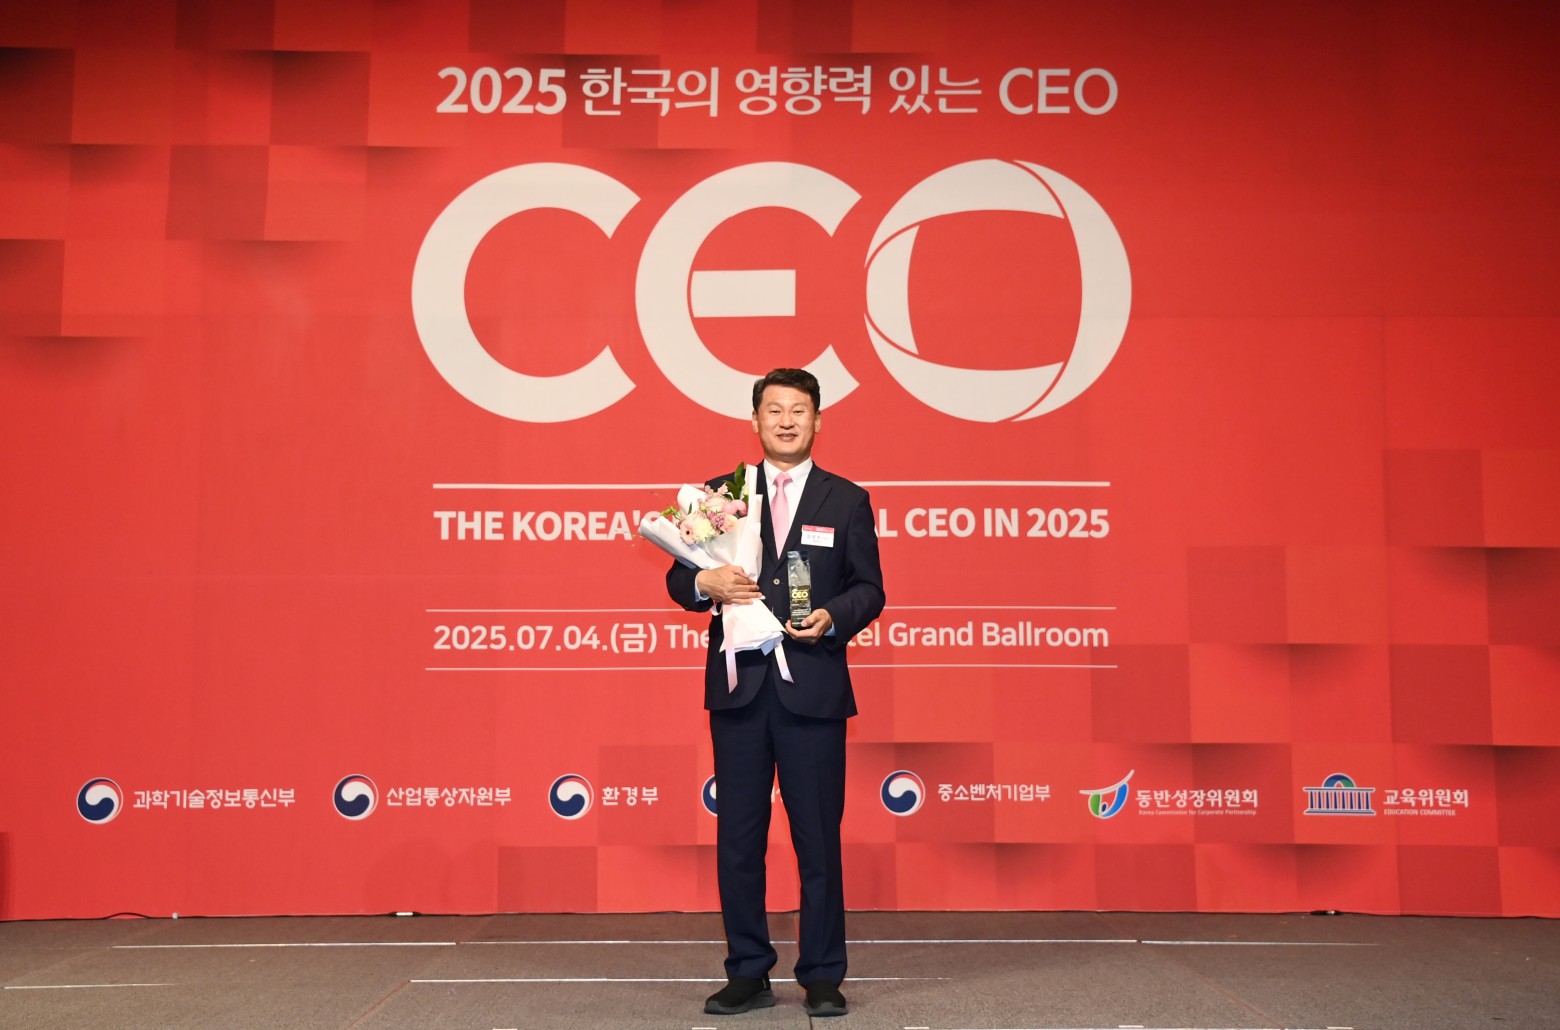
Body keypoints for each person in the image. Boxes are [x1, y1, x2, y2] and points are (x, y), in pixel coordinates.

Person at [665, 368, 885, 1018]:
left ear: (817, 421)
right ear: (755, 420)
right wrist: (705, 584)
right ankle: (748, 970)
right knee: (739, 840)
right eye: (774, 410)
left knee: (817, 839)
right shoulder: (719, 496)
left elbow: (870, 589)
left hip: (812, 687)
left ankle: (822, 973)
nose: (786, 421)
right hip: (741, 690)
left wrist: (834, 616)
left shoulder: (847, 500)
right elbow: (677, 581)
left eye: (799, 410)